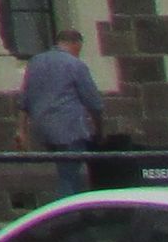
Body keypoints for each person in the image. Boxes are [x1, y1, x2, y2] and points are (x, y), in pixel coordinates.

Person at [19, 26, 105, 196]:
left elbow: (24, 100)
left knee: (66, 172)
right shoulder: (75, 64)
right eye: (79, 48)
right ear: (75, 44)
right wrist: (100, 131)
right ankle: (68, 214)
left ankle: (76, 211)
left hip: (43, 128)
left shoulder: (35, 62)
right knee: (70, 176)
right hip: (70, 129)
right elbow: (94, 103)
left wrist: (21, 130)